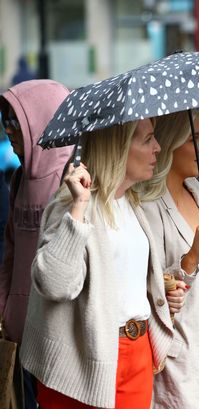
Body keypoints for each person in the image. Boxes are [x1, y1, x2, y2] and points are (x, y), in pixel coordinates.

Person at [19, 119, 180, 409]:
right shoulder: (71, 204)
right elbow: (54, 284)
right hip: (83, 358)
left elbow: (121, 283)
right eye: (147, 140)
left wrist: (163, 294)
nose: (158, 147)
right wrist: (78, 208)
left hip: (137, 353)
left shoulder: (133, 204)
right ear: (117, 148)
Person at [139, 110, 199, 409]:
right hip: (179, 352)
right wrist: (191, 257)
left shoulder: (196, 188)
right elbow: (150, 287)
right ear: (169, 143)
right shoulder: (146, 204)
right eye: (196, 138)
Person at [0, 79, 72, 409]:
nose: (10, 131)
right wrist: (4, 309)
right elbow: (11, 255)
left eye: (17, 121)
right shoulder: (17, 180)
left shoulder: (73, 179)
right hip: (18, 336)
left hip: (59, 342)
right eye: (6, 122)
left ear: (44, 119)